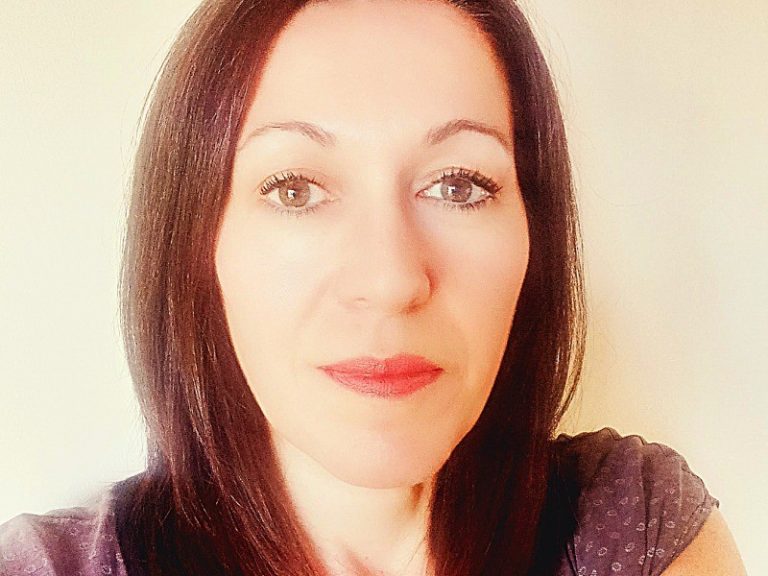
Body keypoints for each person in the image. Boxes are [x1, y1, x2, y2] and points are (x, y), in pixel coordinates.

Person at [0, 0, 747, 575]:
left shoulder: (629, 523)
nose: (390, 282)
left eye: (459, 184)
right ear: (198, 246)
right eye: (295, 189)